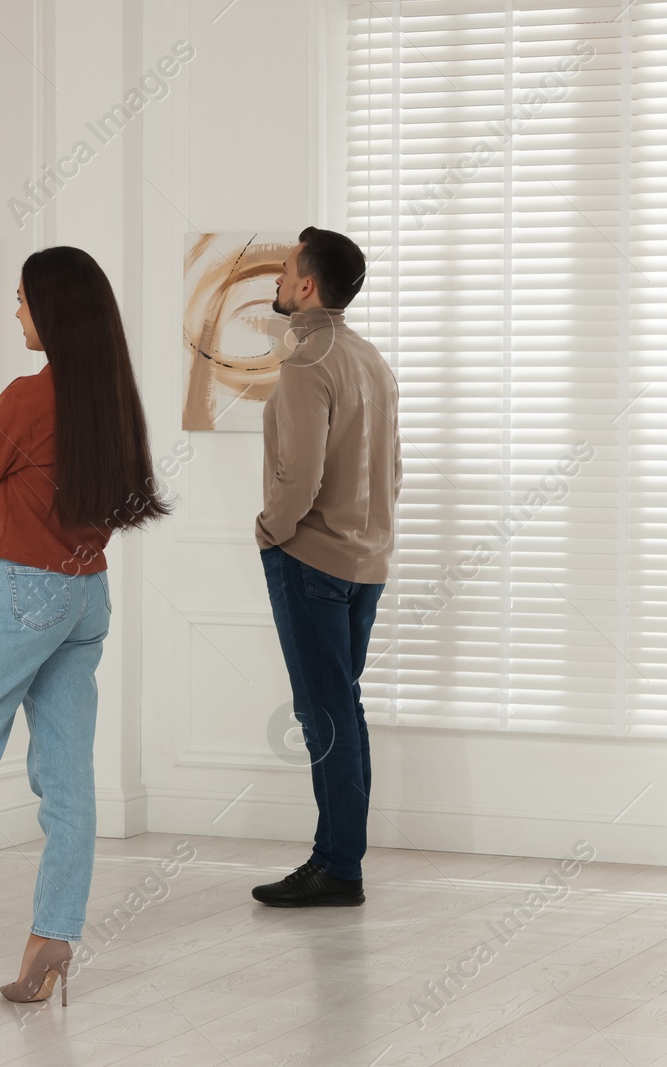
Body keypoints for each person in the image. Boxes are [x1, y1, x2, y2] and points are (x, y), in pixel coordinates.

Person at [0, 246, 170, 1023]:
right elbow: (31, 468)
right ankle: (51, 939)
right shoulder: (107, 397)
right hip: (84, 597)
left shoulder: (32, 396)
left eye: (21, 301)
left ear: (51, 311)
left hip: (17, 596)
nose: (13, 312)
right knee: (68, 784)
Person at [252, 226, 401, 908]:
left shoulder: (308, 361)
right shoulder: (371, 359)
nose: (279, 281)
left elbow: (300, 475)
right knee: (344, 709)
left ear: (307, 285)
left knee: (327, 717)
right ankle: (341, 858)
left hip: (310, 558)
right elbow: (394, 472)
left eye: (285, 271)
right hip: (366, 563)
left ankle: (338, 864)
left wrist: (269, 531)